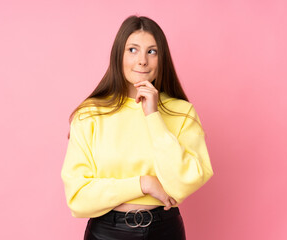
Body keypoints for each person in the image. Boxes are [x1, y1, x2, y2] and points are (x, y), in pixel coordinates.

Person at [61, 15, 214, 240]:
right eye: (132, 50)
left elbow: (184, 183)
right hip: (106, 233)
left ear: (162, 59)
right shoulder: (90, 114)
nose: (142, 60)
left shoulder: (182, 112)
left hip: (165, 230)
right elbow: (78, 198)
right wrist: (143, 184)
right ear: (118, 55)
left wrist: (153, 116)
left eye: (152, 51)